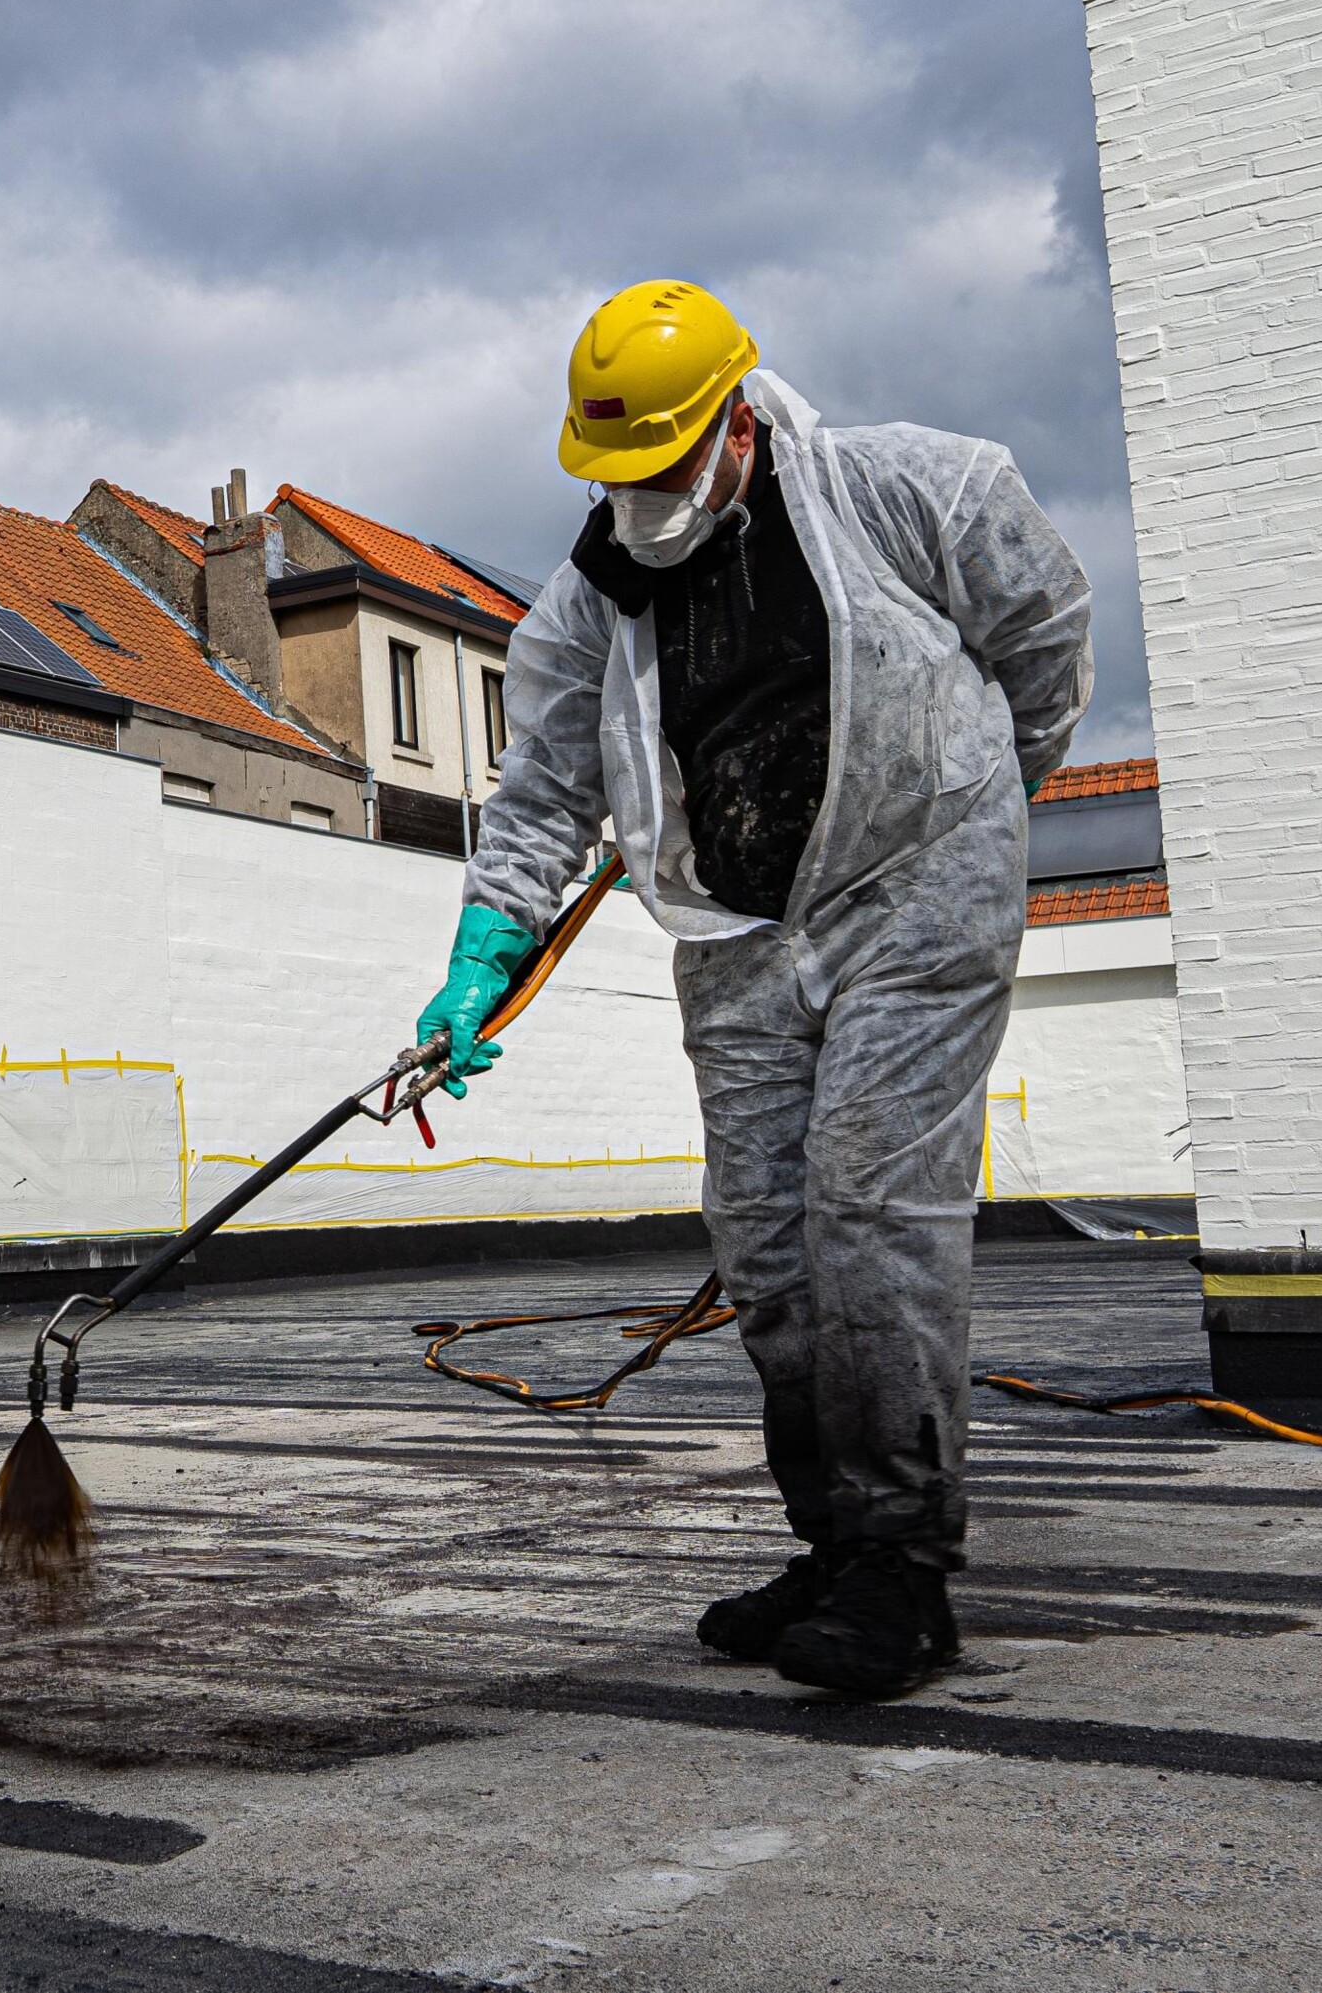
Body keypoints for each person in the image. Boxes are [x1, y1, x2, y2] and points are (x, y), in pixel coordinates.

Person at [422, 279, 1093, 1697]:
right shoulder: (588, 606)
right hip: (734, 931)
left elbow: (1047, 641)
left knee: (868, 1216)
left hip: (915, 894)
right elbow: (542, 786)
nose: (645, 497)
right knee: (771, 1251)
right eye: (620, 475)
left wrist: (977, 817)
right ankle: (835, 1541)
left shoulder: (919, 492)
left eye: (666, 464)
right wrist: (485, 950)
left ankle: (905, 1571)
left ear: (734, 418)